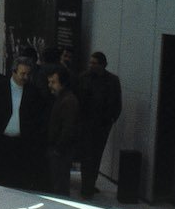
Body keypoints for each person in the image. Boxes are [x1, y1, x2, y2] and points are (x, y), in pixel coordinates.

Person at [0, 56, 44, 190]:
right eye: (22, 74)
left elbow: (37, 117)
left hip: (21, 143)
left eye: (28, 74)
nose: (25, 77)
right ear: (13, 72)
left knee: (17, 179)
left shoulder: (33, 92)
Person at [77, 51, 123, 199]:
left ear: (102, 65)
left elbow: (117, 103)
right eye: (90, 63)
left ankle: (91, 183)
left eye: (94, 63)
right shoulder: (83, 78)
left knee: (97, 155)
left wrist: (111, 119)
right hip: (87, 123)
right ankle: (86, 186)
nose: (91, 65)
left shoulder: (112, 81)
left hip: (102, 124)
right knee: (87, 155)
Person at [45, 66, 80, 196]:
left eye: (53, 82)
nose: (50, 86)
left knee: (59, 185)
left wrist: (58, 149)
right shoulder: (63, 99)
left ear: (62, 83)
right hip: (59, 150)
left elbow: (68, 129)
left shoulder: (68, 101)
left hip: (60, 151)